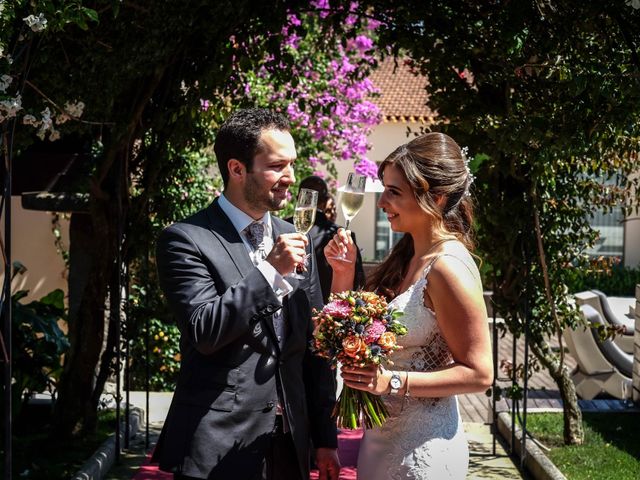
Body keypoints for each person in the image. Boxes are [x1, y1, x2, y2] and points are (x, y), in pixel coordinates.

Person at [153, 108, 340, 480]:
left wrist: (324, 437)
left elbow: (314, 345)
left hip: (290, 443)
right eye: (277, 166)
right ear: (237, 169)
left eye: (292, 164)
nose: (290, 178)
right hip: (216, 443)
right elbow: (204, 331)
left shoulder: (297, 235)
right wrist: (270, 271)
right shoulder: (186, 239)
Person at [324, 132, 493, 479]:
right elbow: (345, 338)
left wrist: (392, 382)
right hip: (380, 441)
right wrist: (342, 274)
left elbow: (480, 373)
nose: (382, 201)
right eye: (384, 188)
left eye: (394, 192)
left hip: (422, 451)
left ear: (438, 197)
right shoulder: (407, 257)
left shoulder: (447, 267)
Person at [286, 175, 366, 303]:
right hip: (329, 310)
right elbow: (358, 281)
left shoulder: (281, 229)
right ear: (325, 201)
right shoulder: (342, 236)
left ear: (298, 199)